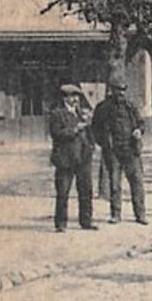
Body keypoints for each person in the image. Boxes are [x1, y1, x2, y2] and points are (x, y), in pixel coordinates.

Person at [91, 73, 147, 225]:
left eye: (123, 90)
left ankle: (140, 214)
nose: (121, 93)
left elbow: (141, 123)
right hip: (113, 151)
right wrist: (103, 143)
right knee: (115, 184)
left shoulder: (130, 106)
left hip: (131, 150)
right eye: (117, 90)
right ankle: (116, 214)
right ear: (111, 90)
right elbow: (95, 128)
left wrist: (139, 131)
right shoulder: (103, 108)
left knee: (137, 182)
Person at [48, 83, 95, 232]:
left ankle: (86, 221)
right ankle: (61, 223)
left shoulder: (82, 113)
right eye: (71, 97)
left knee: (86, 191)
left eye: (77, 97)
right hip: (65, 158)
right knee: (63, 192)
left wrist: (90, 146)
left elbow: (90, 133)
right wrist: (75, 129)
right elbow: (56, 133)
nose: (75, 100)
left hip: (83, 158)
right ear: (64, 98)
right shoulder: (57, 114)